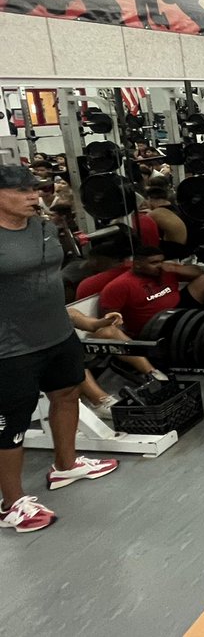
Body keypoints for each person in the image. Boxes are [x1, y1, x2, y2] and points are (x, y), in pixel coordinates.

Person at [0, 165, 118, 533]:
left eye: (34, 189)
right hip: (9, 346)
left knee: (67, 395)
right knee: (11, 426)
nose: (33, 196)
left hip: (56, 333)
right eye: (21, 191)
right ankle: (11, 503)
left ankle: (65, 467)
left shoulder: (44, 227)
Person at [99, 246, 204, 337]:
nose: (160, 265)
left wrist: (175, 268)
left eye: (161, 261)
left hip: (179, 310)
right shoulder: (119, 285)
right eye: (154, 263)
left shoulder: (165, 271)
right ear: (138, 264)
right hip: (155, 325)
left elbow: (198, 272)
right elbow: (109, 320)